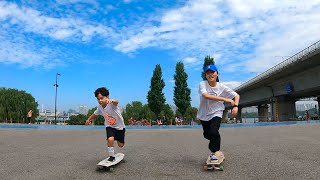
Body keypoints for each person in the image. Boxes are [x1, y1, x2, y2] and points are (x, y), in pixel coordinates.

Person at [197, 64, 240, 162]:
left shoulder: (222, 87)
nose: (210, 74)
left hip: (217, 112)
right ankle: (214, 143)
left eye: (212, 72)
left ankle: (214, 153)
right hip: (204, 114)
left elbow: (236, 95)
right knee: (207, 135)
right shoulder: (202, 84)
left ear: (217, 74)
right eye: (207, 73)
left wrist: (236, 106)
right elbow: (206, 96)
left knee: (214, 132)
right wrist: (225, 99)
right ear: (205, 75)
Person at [86, 87, 125, 162]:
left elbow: (117, 102)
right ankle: (111, 156)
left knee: (121, 145)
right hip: (109, 126)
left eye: (102, 98)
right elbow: (95, 114)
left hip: (120, 127)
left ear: (107, 97)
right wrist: (88, 119)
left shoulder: (112, 104)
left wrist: (112, 100)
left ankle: (118, 139)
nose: (100, 100)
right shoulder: (100, 107)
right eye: (98, 99)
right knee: (110, 139)